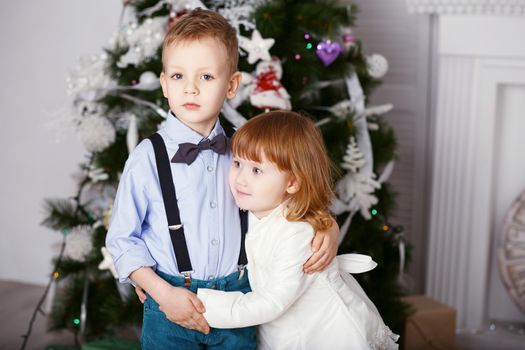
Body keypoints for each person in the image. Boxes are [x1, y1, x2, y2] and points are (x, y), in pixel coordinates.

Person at [105, 9, 339, 350]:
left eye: (206, 77)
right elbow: (122, 239)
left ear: (231, 85)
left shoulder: (246, 151)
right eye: (179, 76)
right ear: (164, 84)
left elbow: (288, 203)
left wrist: (327, 226)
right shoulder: (146, 158)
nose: (191, 89)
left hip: (240, 296)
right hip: (171, 299)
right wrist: (161, 291)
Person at [197, 111, 399, 350]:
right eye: (238, 163)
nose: (240, 179)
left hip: (322, 335)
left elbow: (272, 301)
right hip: (283, 329)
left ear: (292, 182)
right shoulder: (254, 206)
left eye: (256, 171)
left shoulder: (297, 233)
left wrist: (202, 305)